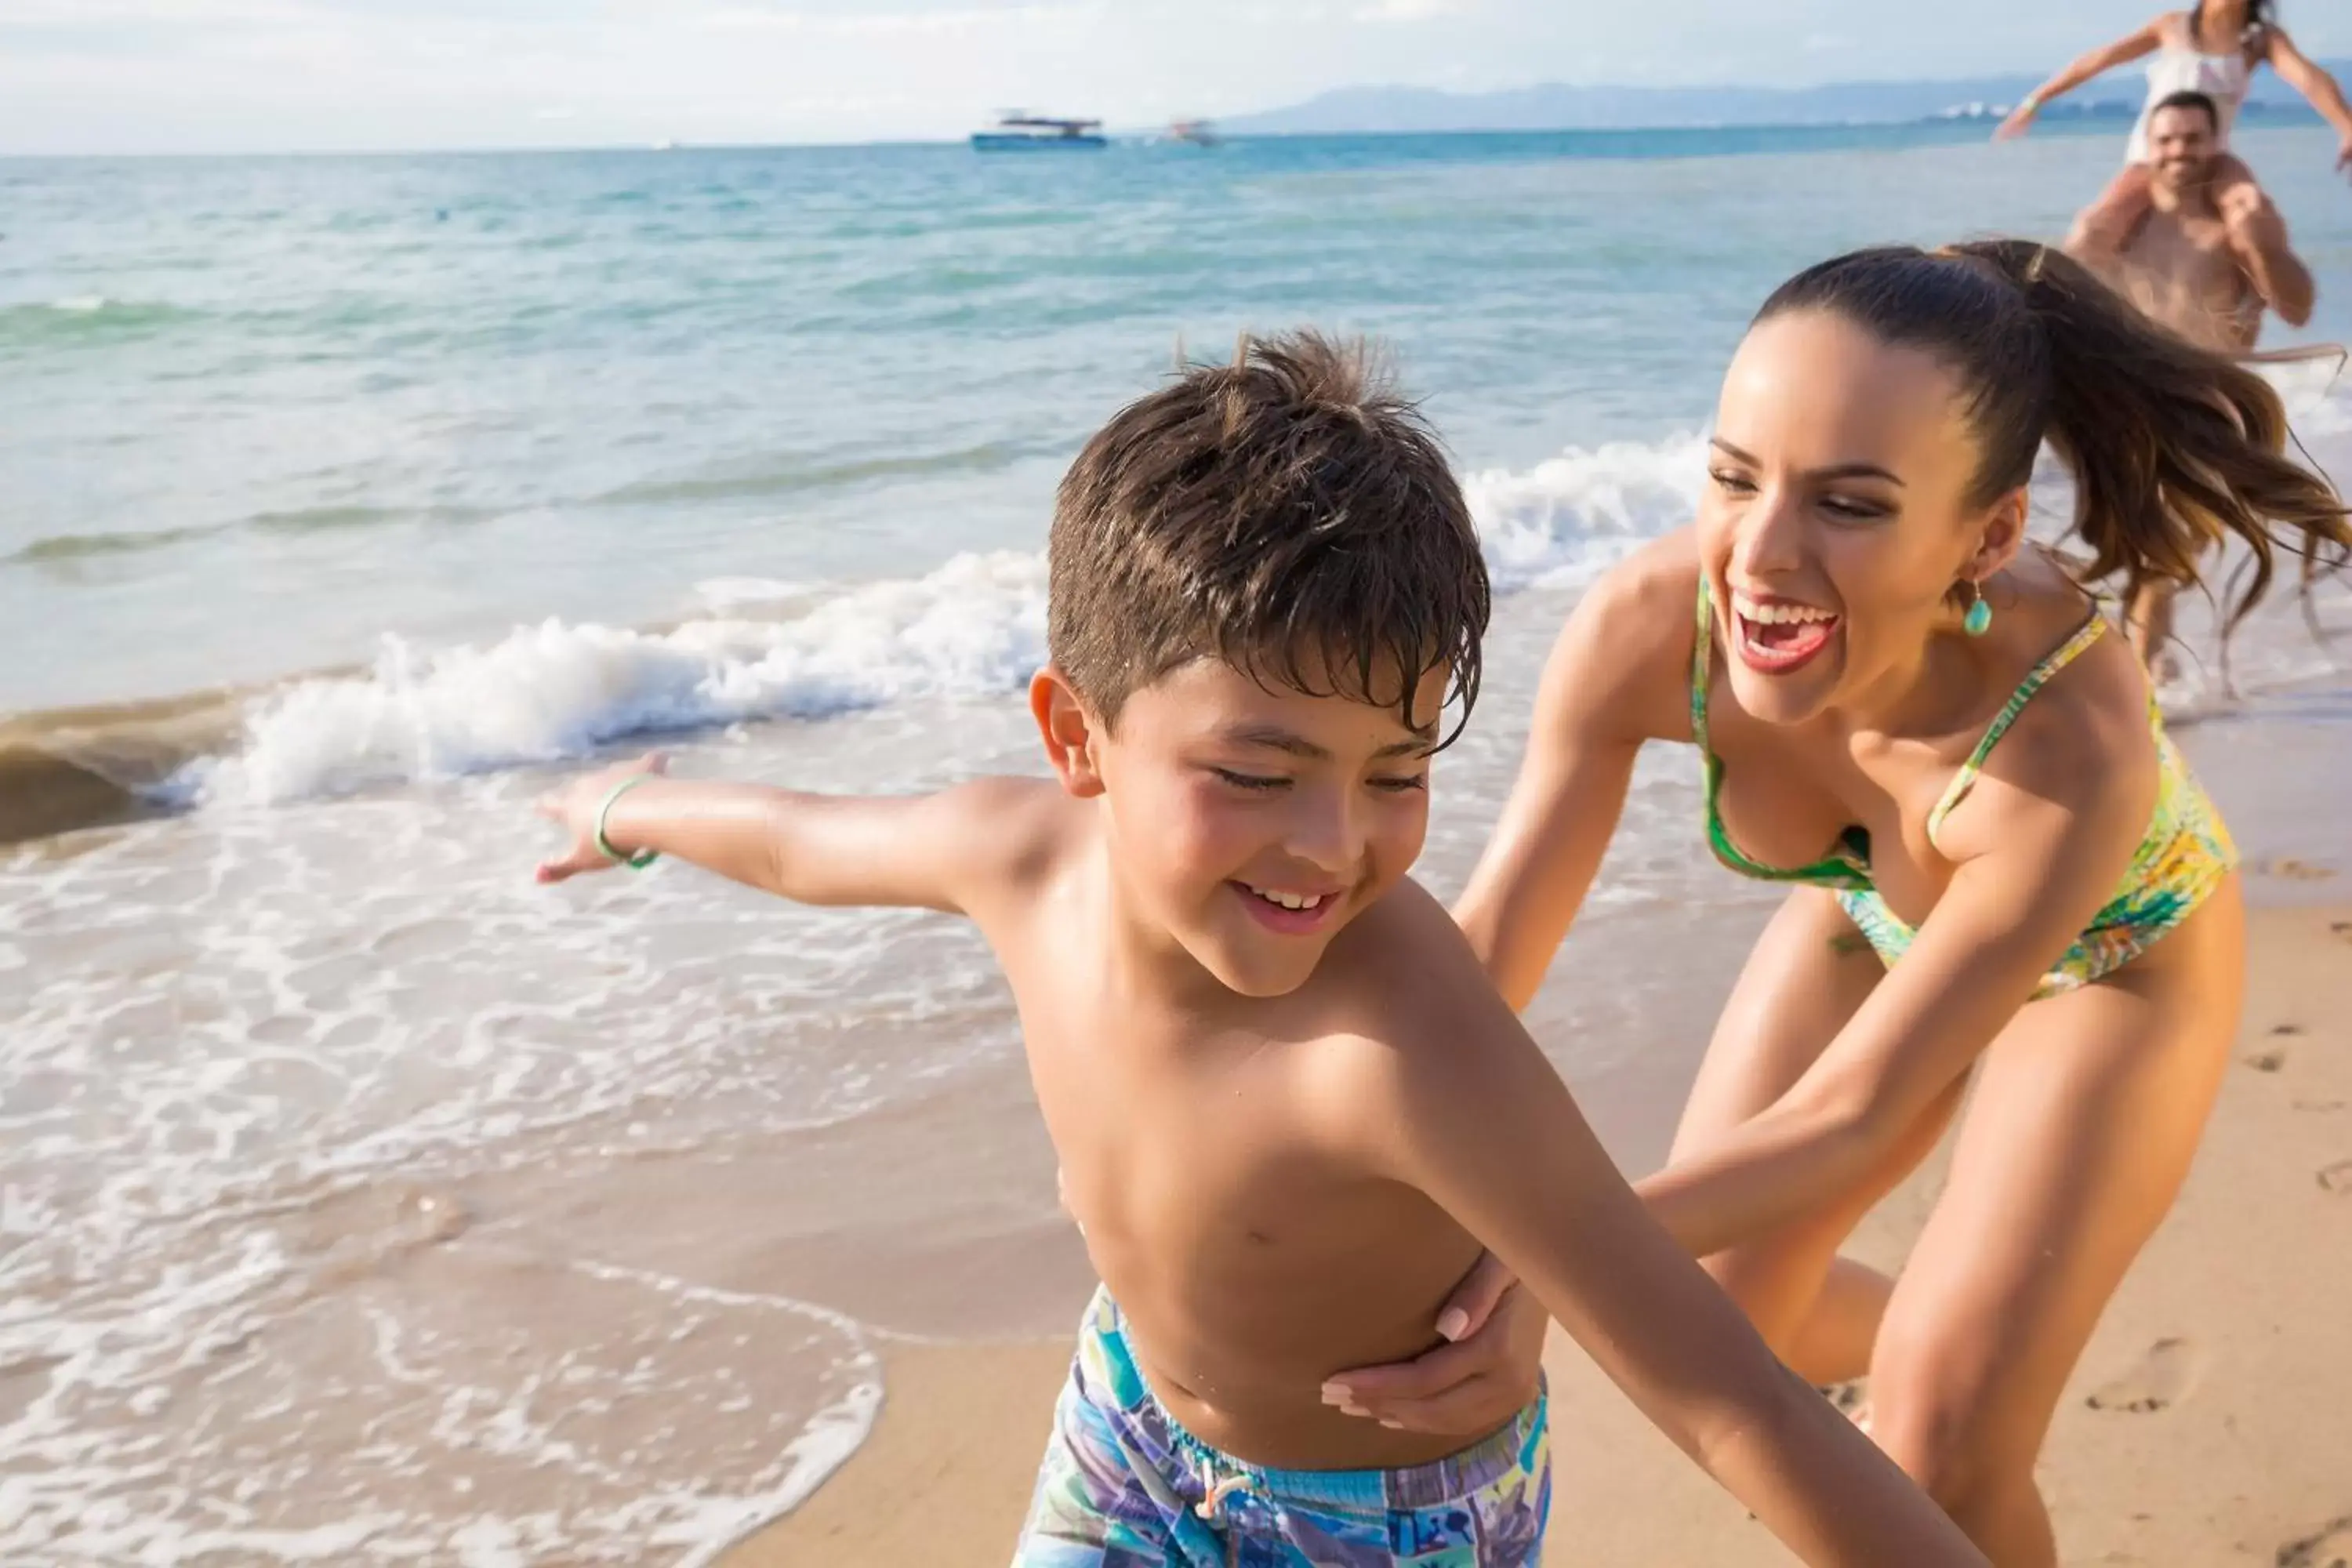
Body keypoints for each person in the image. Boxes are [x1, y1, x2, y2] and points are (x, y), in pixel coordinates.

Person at [529, 334, 1991, 1566]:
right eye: (1255, 771)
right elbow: (800, 841)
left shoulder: (1407, 1051)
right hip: (1131, 1429)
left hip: (1389, 1524)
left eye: (1397, 773)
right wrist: (626, 808)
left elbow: (1739, 1401)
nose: (1331, 844)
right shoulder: (1017, 861)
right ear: (1076, 738)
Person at [1318, 244, 2352, 1566]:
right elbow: (1485, 959)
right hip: (1865, 912)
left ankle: (1972, 1357)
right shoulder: (1648, 627)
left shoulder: (2069, 743)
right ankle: (1970, 1322)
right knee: (1724, 1309)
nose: (1759, 555)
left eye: (1849, 505)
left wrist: (1544, 1251)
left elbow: (1848, 1118)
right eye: (1734, 478)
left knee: (1941, 1439)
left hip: (2116, 966)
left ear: (1988, 535)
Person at [2069, 89, 2317, 682]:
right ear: (2148, 146)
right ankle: (2147, 667)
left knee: (2166, 554)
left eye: (2193, 138)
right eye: (2167, 139)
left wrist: (2257, 241)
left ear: (2216, 144)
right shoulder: (2124, 221)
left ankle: (2140, 676)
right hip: (2128, 406)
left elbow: (2299, 308)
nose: (2180, 151)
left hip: (2211, 413)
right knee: (2140, 551)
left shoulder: (2236, 221)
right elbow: (2069, 295)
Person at [1994, 2, 2352, 261]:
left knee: (2251, 208)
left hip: (2212, 157)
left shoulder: (2260, 41)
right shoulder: (2171, 26)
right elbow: (2100, 59)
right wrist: (2035, 101)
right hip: (2150, 157)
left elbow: (2309, 80)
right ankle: (2065, 314)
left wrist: (2346, 126)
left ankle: (2250, 304)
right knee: (2094, 225)